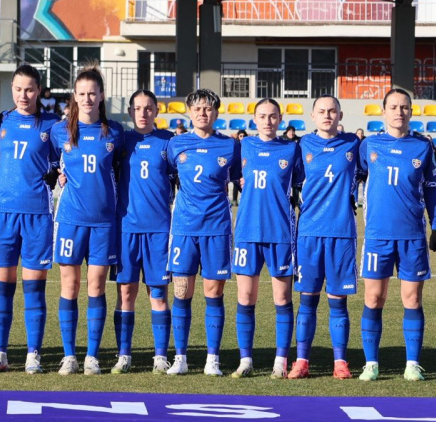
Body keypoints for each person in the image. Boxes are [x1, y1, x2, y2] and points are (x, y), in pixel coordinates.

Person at [358, 88, 436, 382]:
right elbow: (355, 175)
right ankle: (371, 363)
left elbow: (432, 189)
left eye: (404, 107)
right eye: (393, 107)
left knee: (413, 300)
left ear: (411, 112)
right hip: (377, 235)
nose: (399, 112)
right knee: (373, 298)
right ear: (383, 112)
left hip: (412, 236)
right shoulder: (368, 145)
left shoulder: (422, 147)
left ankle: (412, 363)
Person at [0, 64, 60, 374]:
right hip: (1, 213)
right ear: (11, 90)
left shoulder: (51, 125)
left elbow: (69, 151)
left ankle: (33, 355)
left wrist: (57, 172)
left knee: (33, 289)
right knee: (2, 288)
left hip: (37, 216)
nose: (23, 95)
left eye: (29, 89)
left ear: (38, 91)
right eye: (18, 89)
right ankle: (0, 354)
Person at [50, 63, 124, 375]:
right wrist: (57, 174)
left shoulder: (115, 133)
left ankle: (92, 355)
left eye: (92, 93)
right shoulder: (59, 131)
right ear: (75, 97)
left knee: (96, 287)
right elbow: (49, 163)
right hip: (70, 220)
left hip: (104, 222)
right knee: (70, 285)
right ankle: (69, 355)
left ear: (102, 96)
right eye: (82, 93)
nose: (87, 98)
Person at [166, 89, 241, 376]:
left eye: (208, 109)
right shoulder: (176, 144)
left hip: (217, 228)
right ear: (188, 111)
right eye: (197, 108)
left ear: (217, 113)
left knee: (214, 293)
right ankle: (181, 357)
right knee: (182, 292)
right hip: (185, 228)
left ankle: (213, 358)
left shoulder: (230, 146)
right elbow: (170, 177)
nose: (202, 113)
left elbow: (239, 180)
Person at [287, 95, 360, 380]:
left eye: (332, 111)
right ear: (313, 116)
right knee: (307, 300)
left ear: (340, 115)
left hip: (341, 233)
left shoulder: (354, 144)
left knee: (337, 301)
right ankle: (302, 361)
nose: (327, 115)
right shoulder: (301, 146)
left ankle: (340, 362)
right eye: (322, 111)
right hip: (309, 234)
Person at [105, 89, 174, 375]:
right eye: (137, 108)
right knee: (125, 294)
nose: (143, 113)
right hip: (126, 228)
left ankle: (160, 356)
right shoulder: (121, 140)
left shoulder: (169, 142)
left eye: (148, 108)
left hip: (159, 230)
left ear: (157, 111)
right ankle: (124, 355)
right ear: (130, 111)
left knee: (157, 293)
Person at [232, 98, 302, 379]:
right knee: (246, 297)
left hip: (280, 233)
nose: (268, 121)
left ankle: (280, 361)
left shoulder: (292, 149)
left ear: (281, 118)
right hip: (247, 232)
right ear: (254, 119)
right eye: (262, 116)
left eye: (273, 116)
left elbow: (300, 185)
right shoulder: (243, 146)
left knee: (282, 298)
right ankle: (245, 360)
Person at [231, 130, 247, 206]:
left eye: (244, 136)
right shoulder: (235, 145)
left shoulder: (248, 146)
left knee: (244, 185)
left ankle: (244, 199)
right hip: (237, 168)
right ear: (238, 137)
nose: (242, 137)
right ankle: (234, 200)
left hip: (245, 168)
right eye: (241, 136)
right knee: (236, 184)